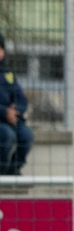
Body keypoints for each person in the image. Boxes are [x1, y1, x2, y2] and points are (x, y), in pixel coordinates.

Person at [0, 31, 32, 176]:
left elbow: (21, 99)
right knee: (7, 136)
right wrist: (4, 112)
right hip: (2, 120)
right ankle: (2, 169)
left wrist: (16, 111)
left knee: (26, 135)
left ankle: (14, 169)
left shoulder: (9, 74)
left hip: (12, 120)